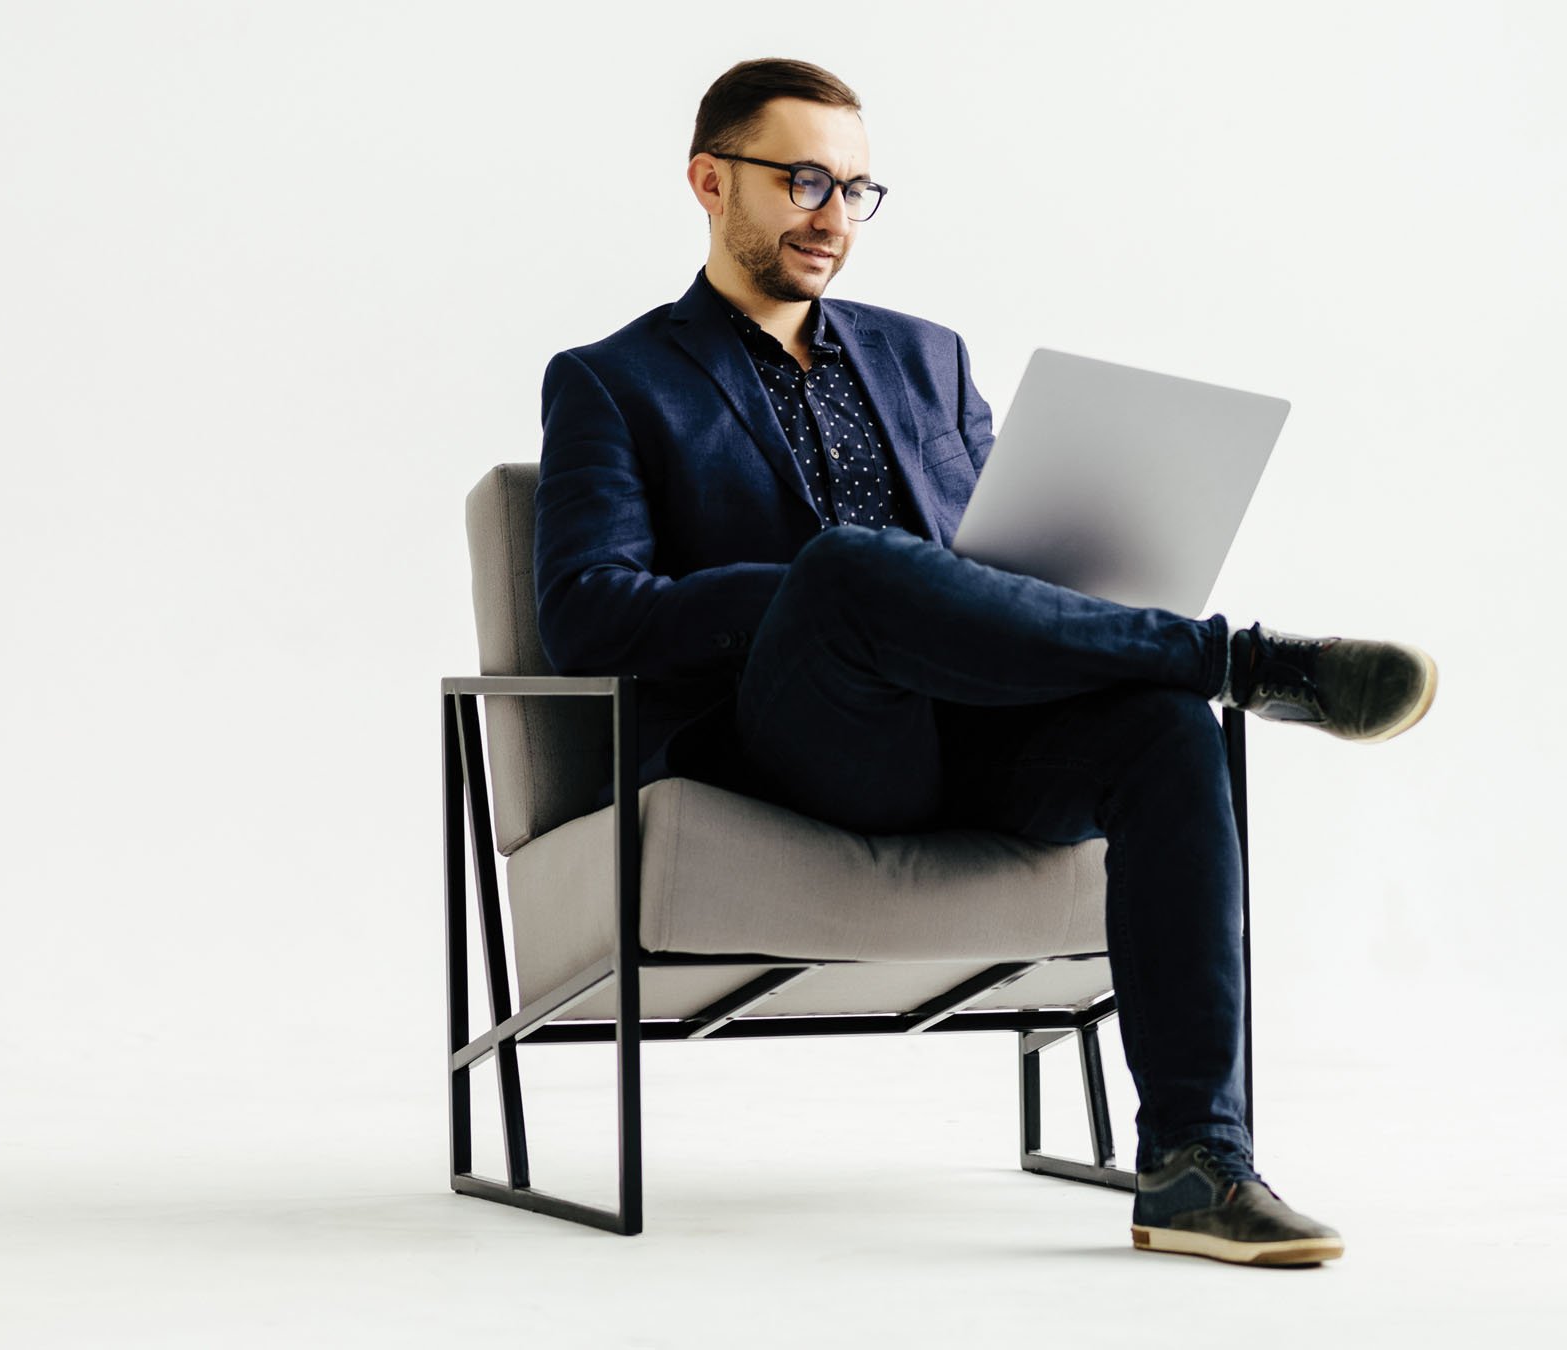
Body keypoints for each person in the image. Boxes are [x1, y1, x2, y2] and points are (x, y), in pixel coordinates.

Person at [533, 57, 1436, 1268]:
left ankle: (1193, 1163)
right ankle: (1243, 660)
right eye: (803, 181)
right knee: (853, 567)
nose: (833, 217)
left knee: (1165, 730)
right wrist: (809, 588)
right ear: (710, 181)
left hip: (978, 730)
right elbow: (587, 612)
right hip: (799, 740)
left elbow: (997, 579)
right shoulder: (614, 380)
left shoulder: (929, 358)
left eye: (857, 189)